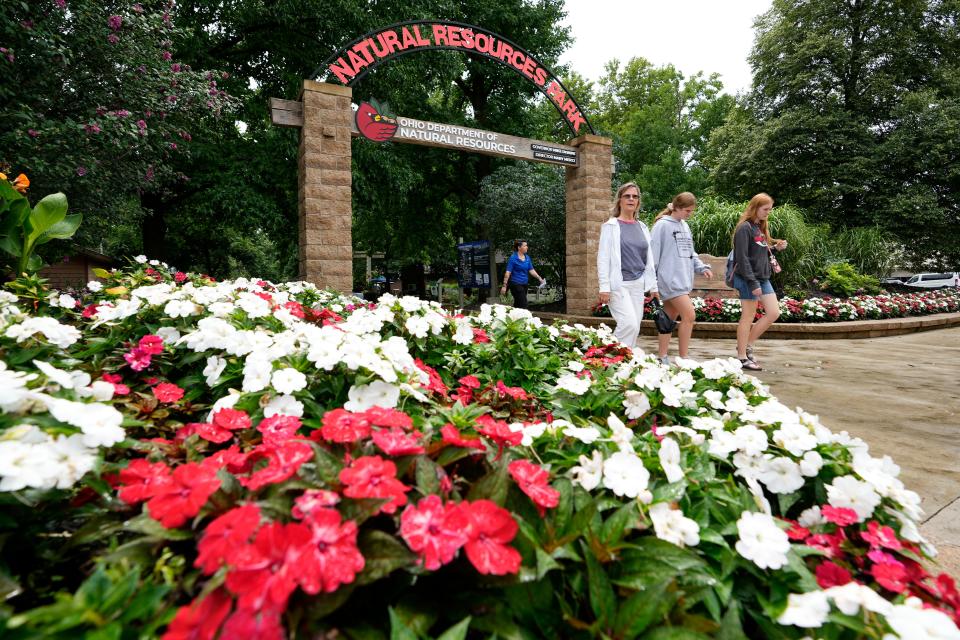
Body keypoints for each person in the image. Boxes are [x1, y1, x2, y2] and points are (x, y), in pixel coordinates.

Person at [650, 192, 713, 364]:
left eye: (691, 211)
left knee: (668, 319)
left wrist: (701, 267)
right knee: (689, 316)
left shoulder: (684, 225)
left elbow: (690, 252)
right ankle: (684, 358)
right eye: (687, 210)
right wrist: (651, 283)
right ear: (676, 208)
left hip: (683, 280)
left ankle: (662, 356)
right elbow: (652, 256)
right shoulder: (662, 226)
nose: (689, 214)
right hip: (669, 280)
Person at [597, 182, 659, 348]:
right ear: (620, 200)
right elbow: (603, 258)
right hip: (619, 284)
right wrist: (604, 286)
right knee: (628, 324)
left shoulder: (643, 227)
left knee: (634, 327)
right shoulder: (610, 226)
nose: (631, 199)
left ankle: (624, 361)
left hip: (638, 284)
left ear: (638, 201)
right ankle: (607, 356)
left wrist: (653, 287)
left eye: (635, 196)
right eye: (627, 196)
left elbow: (648, 260)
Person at [731, 193, 787, 371]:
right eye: (765, 209)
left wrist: (774, 248)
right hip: (748, 279)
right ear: (755, 207)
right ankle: (741, 357)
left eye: (770, 210)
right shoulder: (744, 228)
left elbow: (758, 252)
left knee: (773, 312)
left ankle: (746, 346)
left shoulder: (758, 228)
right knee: (747, 317)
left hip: (762, 278)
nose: (768, 213)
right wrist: (753, 283)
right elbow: (743, 258)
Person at [500, 240, 545, 309]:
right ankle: (526, 318)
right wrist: (504, 286)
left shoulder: (527, 258)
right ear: (519, 247)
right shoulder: (513, 258)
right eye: (525, 246)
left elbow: (531, 270)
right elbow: (508, 272)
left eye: (527, 246)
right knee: (524, 304)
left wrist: (539, 278)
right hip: (515, 284)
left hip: (524, 284)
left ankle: (512, 317)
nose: (527, 247)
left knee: (518, 304)